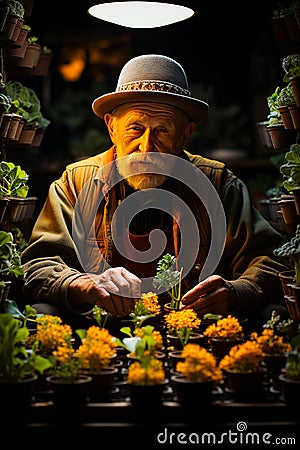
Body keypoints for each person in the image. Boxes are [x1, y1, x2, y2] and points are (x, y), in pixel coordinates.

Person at [21, 54, 290, 329]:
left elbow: (272, 260)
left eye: (162, 130)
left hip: (192, 332)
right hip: (100, 332)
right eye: (135, 128)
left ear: (186, 133)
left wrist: (236, 292)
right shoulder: (77, 184)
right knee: (40, 311)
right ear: (112, 127)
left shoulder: (217, 184)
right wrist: (81, 284)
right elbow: (37, 265)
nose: (146, 146)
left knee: (275, 312)